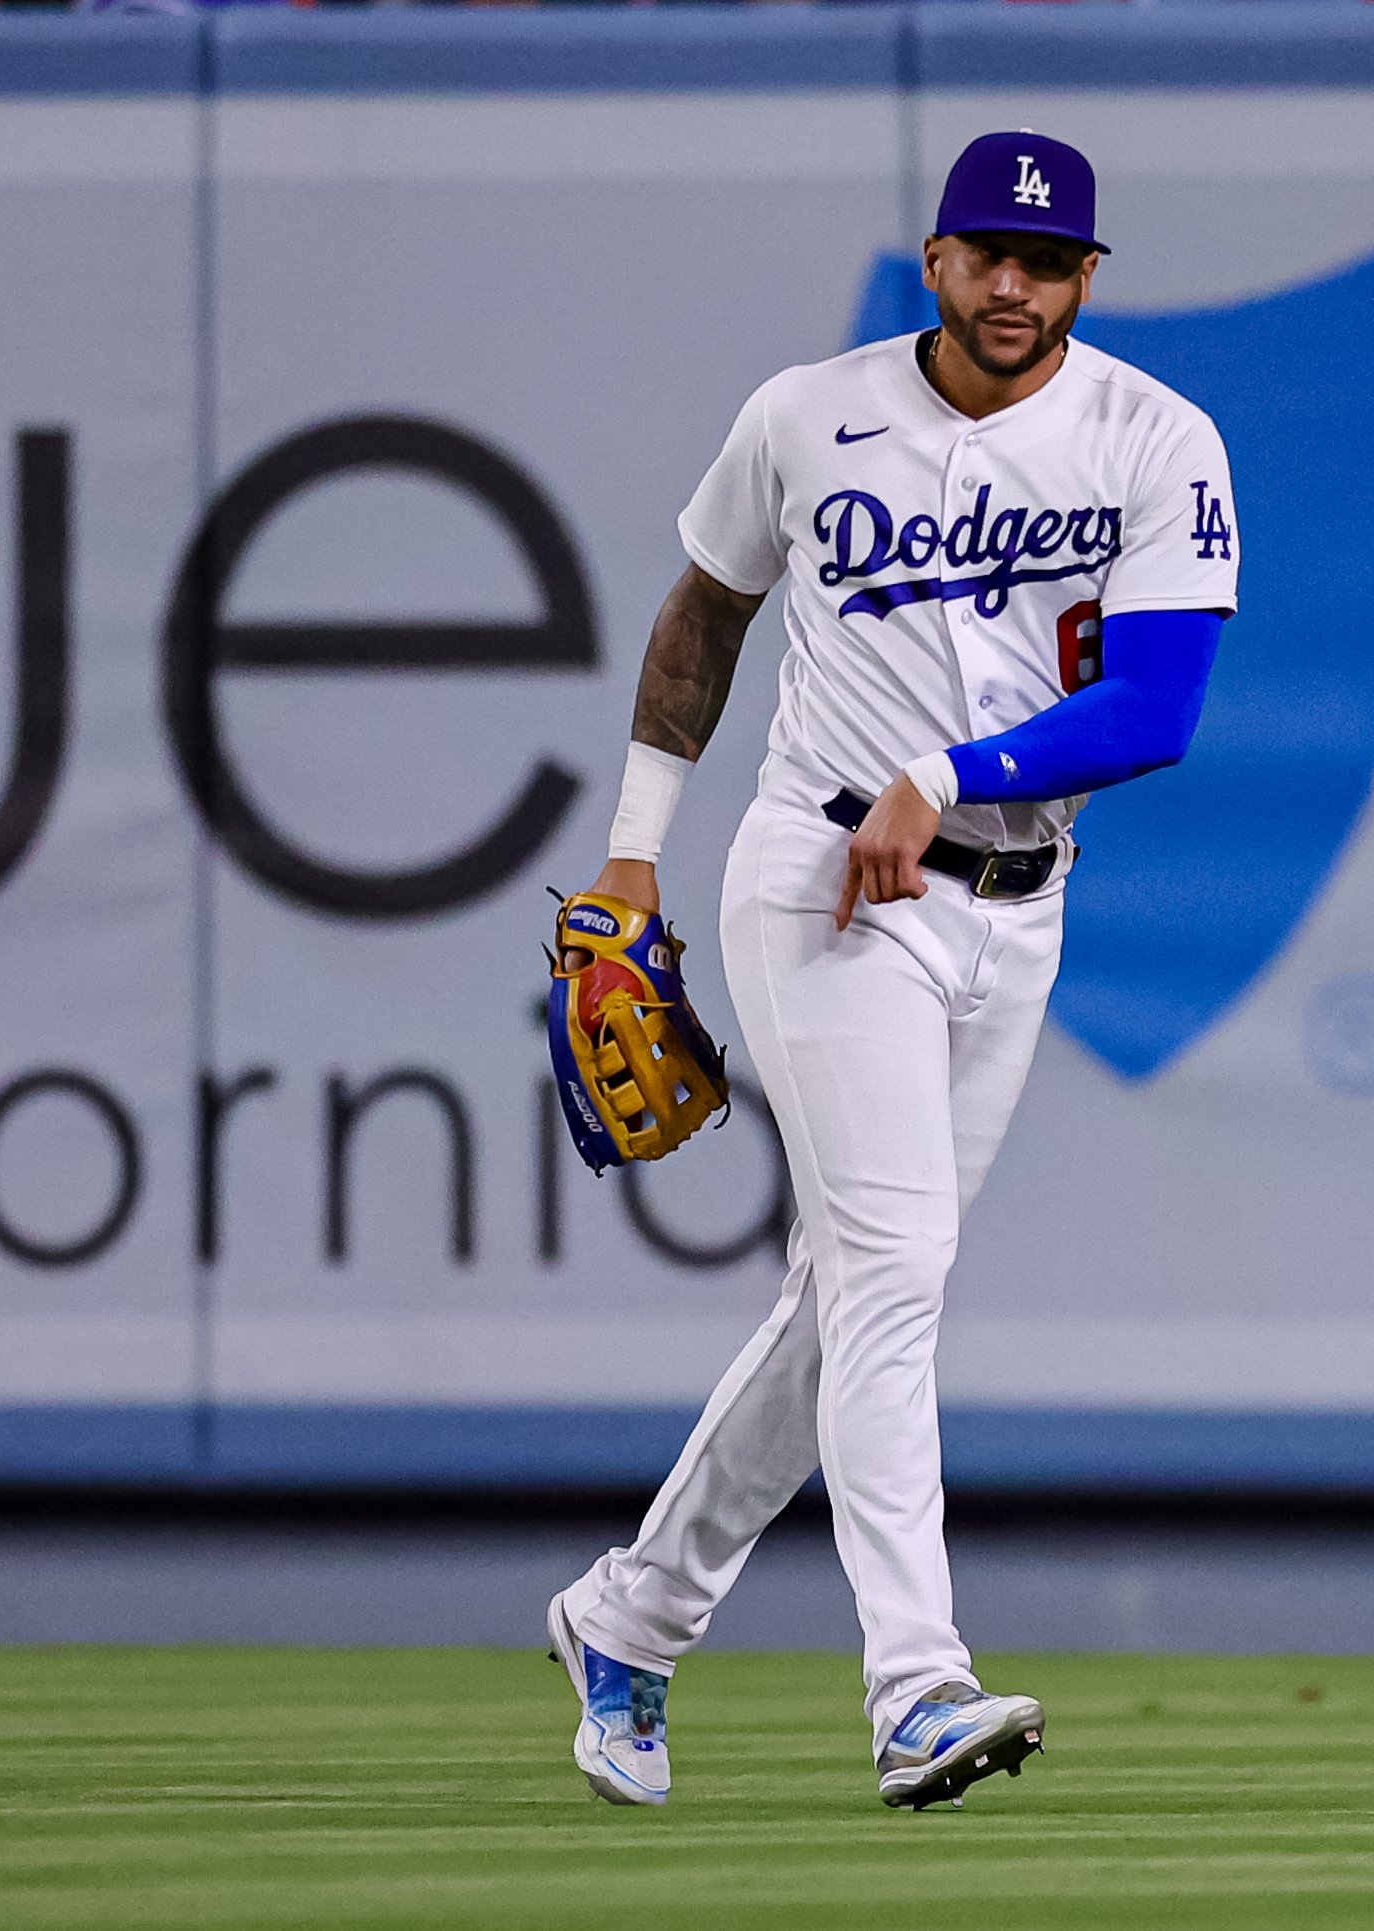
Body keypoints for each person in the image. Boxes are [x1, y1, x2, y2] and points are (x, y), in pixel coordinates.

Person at [546, 130, 1240, 1810]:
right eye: (985, 252)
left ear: (1088, 277)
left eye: (1047, 261)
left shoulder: (1157, 436)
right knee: (898, 1265)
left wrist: (951, 774)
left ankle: (631, 1615)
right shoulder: (807, 414)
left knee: (850, 1295)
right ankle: (918, 1688)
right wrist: (634, 848)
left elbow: (1156, 710)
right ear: (933, 259)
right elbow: (704, 614)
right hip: (827, 883)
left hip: (1015, 900)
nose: (1013, 284)